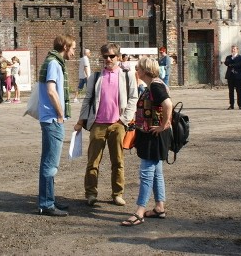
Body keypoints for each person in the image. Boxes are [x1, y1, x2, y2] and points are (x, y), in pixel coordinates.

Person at [75, 43, 139, 207]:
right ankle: (90, 193)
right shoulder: (95, 77)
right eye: (105, 56)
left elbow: (133, 98)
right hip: (98, 124)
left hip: (118, 124)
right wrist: (81, 120)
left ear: (118, 57)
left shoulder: (127, 76)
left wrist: (124, 119)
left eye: (111, 56)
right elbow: (88, 100)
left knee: (118, 161)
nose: (108, 59)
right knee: (93, 162)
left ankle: (117, 194)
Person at [121, 57, 172, 227]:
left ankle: (139, 212)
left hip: (153, 136)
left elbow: (168, 104)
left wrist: (163, 125)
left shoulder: (156, 86)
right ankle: (159, 207)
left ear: (145, 70)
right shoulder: (153, 85)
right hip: (152, 135)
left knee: (146, 173)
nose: (136, 70)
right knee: (156, 172)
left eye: (138, 68)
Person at [37, 35, 76, 217]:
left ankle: (49, 198)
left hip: (51, 118)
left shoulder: (53, 61)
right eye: (73, 47)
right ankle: (46, 204)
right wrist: (60, 114)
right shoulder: (54, 63)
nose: (74, 51)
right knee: (50, 164)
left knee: (50, 162)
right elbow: (51, 91)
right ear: (65, 47)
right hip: (53, 119)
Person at [224, 45, 241, 110]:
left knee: (238, 91)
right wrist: (231, 59)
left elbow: (239, 65)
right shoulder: (229, 57)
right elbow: (226, 63)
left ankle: (240, 104)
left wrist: (231, 64)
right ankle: (231, 105)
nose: (233, 50)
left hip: (237, 76)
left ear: (237, 50)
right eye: (232, 49)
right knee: (231, 91)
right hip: (230, 76)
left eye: (234, 49)